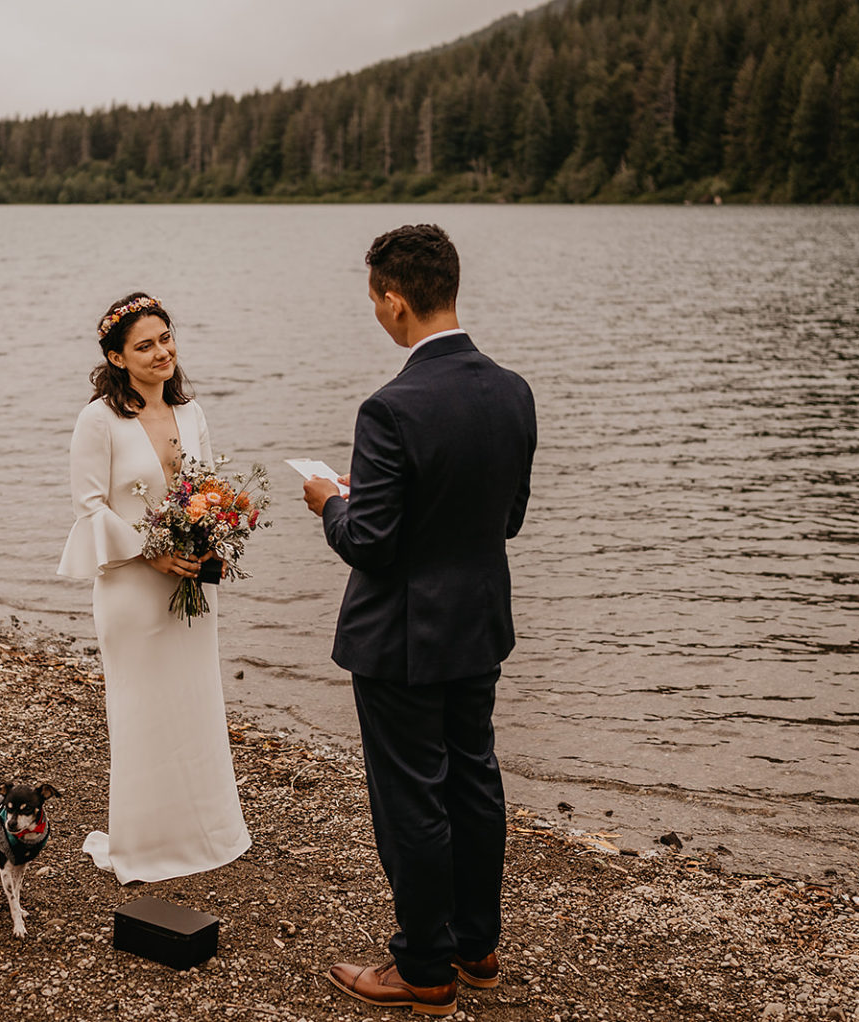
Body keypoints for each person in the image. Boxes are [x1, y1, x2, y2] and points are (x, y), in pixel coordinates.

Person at [302, 225, 536, 1016]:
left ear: (394, 300)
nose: (375, 311)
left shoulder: (391, 407)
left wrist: (333, 501)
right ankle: (479, 948)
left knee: (412, 802)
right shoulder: (512, 391)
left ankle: (424, 968)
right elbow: (507, 519)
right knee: (474, 784)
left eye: (374, 299)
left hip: (401, 639)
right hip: (477, 626)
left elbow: (371, 544)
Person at [57, 291, 251, 885]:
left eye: (166, 338)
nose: (162, 351)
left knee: (195, 703)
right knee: (143, 711)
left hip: (191, 582)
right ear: (117, 358)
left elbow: (207, 486)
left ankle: (207, 832)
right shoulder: (99, 419)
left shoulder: (191, 413)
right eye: (145, 345)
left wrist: (213, 532)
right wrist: (153, 551)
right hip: (133, 589)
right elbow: (89, 506)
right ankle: (144, 844)